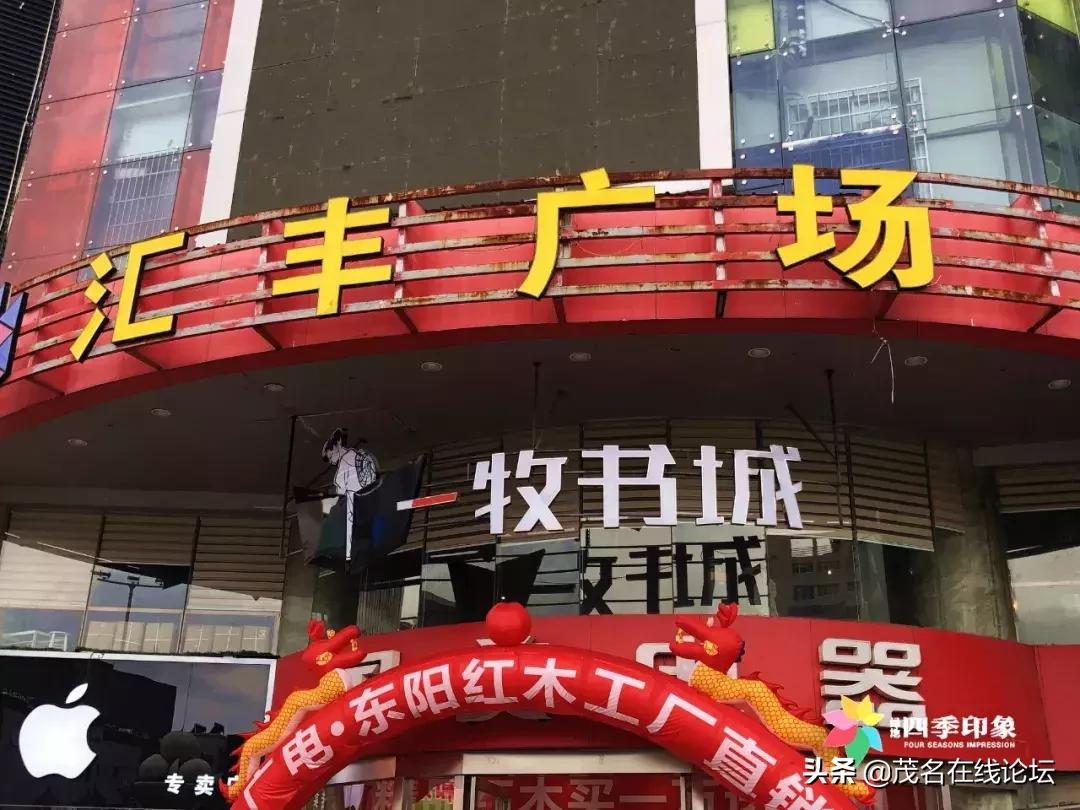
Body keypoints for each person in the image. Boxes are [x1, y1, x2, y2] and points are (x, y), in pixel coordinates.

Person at [321, 428, 378, 562]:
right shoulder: (358, 455)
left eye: (330, 456)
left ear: (336, 447)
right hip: (365, 506)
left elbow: (342, 493)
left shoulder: (345, 464)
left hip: (354, 510)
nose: (331, 461)